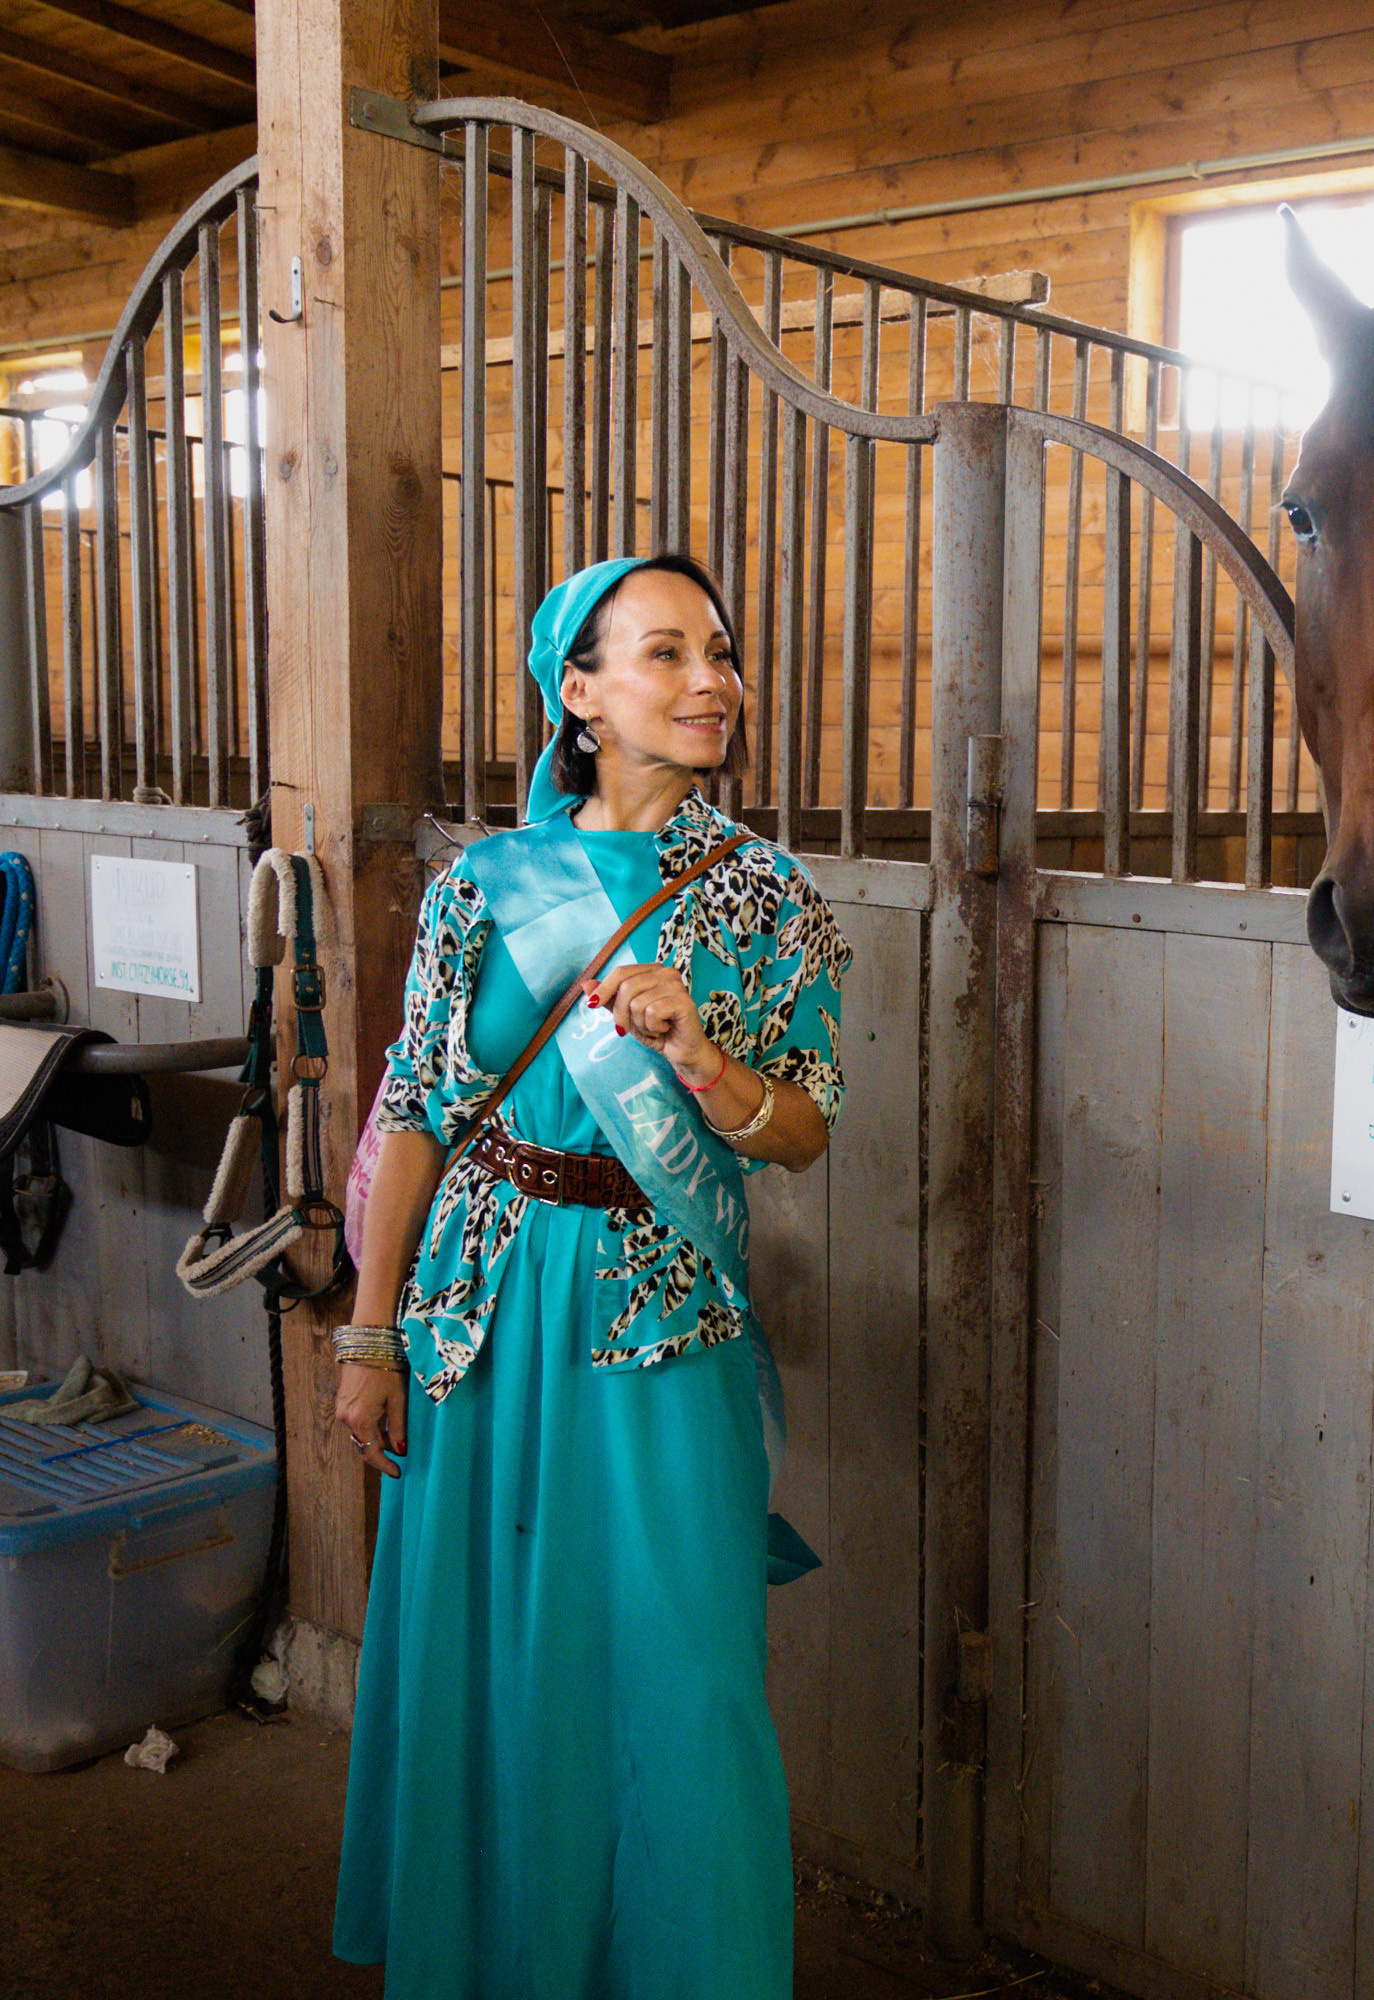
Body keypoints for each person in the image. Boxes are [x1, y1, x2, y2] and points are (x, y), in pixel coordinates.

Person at [329, 553, 848, 1999]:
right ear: (580, 692)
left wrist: (704, 1060)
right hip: (482, 1311)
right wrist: (369, 1339)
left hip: (658, 1312)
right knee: (494, 1651)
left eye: (720, 653)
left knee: (684, 1668)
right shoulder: (481, 887)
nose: (712, 682)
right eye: (666, 653)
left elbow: (805, 1130)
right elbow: (420, 1111)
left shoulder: (770, 895)